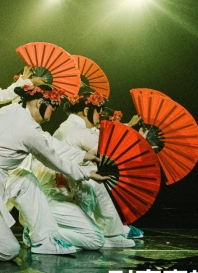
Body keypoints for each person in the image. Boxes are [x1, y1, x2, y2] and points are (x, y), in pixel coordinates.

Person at [0, 84, 109, 260]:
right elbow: (52, 158)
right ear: (40, 103)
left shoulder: (11, 110)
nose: (52, 113)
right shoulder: (28, 129)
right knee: (7, 249)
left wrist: (83, 155)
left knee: (25, 179)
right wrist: (86, 173)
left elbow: (48, 143)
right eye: (53, 107)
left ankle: (43, 240)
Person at [53, 90, 144, 243]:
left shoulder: (66, 126)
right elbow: (110, 153)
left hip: (62, 181)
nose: (98, 118)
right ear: (86, 111)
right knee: (99, 182)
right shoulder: (79, 131)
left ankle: (113, 232)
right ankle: (112, 235)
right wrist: (140, 142)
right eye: (98, 112)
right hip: (73, 182)